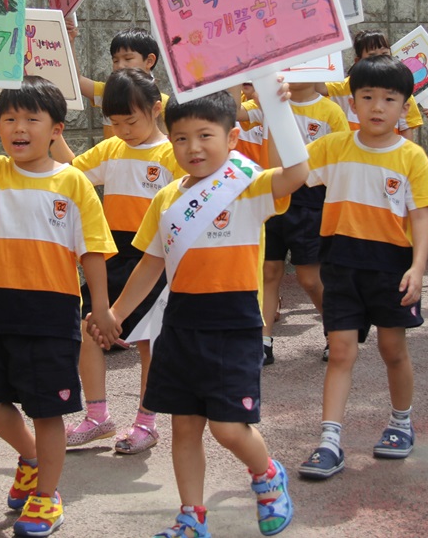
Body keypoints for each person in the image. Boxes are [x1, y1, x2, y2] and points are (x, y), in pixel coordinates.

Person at [91, 85, 306, 537]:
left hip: (233, 321)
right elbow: (151, 265)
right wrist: (115, 312)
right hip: (182, 321)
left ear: (231, 138)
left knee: (229, 428)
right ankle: (191, 517)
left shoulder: (248, 185)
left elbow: (298, 172)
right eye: (182, 137)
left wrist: (279, 107)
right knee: (184, 427)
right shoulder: (167, 199)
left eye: (205, 135)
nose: (193, 147)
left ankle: (266, 475)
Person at [0, 76, 118, 537]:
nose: (19, 127)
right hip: (1, 309)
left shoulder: (73, 182)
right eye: (9, 118)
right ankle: (33, 458)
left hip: (52, 314)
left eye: (32, 118)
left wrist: (103, 308)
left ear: (56, 128)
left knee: (46, 411)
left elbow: (92, 250)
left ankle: (47, 496)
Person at [298, 55, 428, 480]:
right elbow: (293, 168)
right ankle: (329, 441)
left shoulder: (412, 156)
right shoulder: (333, 146)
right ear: (352, 102)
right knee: (341, 351)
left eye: (389, 99)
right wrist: (274, 103)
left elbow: (421, 218)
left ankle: (400, 422)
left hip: (391, 269)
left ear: (404, 106)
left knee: (392, 350)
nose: (377, 106)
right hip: (340, 265)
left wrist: (418, 268)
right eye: (367, 97)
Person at [55, 69, 185, 455]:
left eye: (131, 120)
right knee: (86, 326)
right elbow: (74, 172)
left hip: (154, 259)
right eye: (115, 122)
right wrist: (55, 136)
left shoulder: (170, 154)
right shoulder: (111, 149)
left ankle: (146, 422)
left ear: (156, 109)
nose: (124, 129)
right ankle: (98, 417)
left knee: (148, 342)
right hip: (114, 254)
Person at [257, 80, 349, 364]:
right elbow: (234, 112)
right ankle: (263, 341)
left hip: (312, 202)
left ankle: (335, 332)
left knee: (309, 278)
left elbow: (342, 157)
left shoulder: (330, 111)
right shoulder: (270, 104)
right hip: (273, 196)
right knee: (269, 272)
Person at [317, 30, 424, 141]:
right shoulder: (347, 86)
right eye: (372, 55)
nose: (380, 60)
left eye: (384, 54)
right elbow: (319, 88)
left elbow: (406, 128)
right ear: (358, 61)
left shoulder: (401, 90)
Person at [73, 27, 169, 139]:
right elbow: (76, 80)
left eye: (128, 59)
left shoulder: (163, 103)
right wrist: (70, 41)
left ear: (149, 61)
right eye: (115, 60)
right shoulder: (108, 92)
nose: (120, 65)